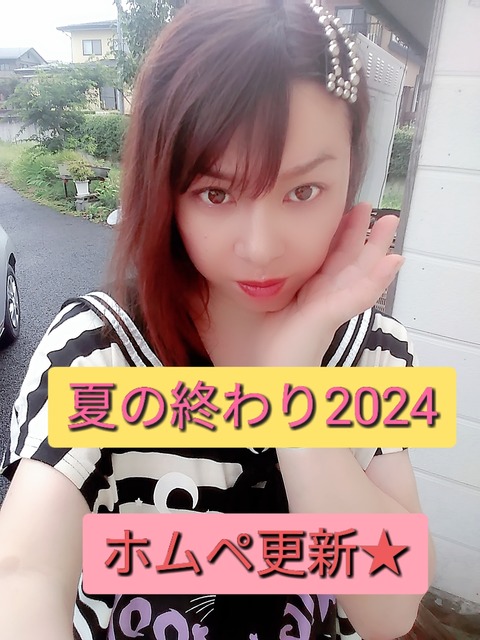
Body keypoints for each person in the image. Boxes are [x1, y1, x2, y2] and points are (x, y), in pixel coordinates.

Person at [0, 1, 435, 639]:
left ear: (352, 173)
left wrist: (293, 390)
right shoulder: (98, 351)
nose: (260, 247)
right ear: (165, 188)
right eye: (216, 192)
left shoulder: (376, 354)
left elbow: (391, 611)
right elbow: (24, 575)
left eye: (303, 191)